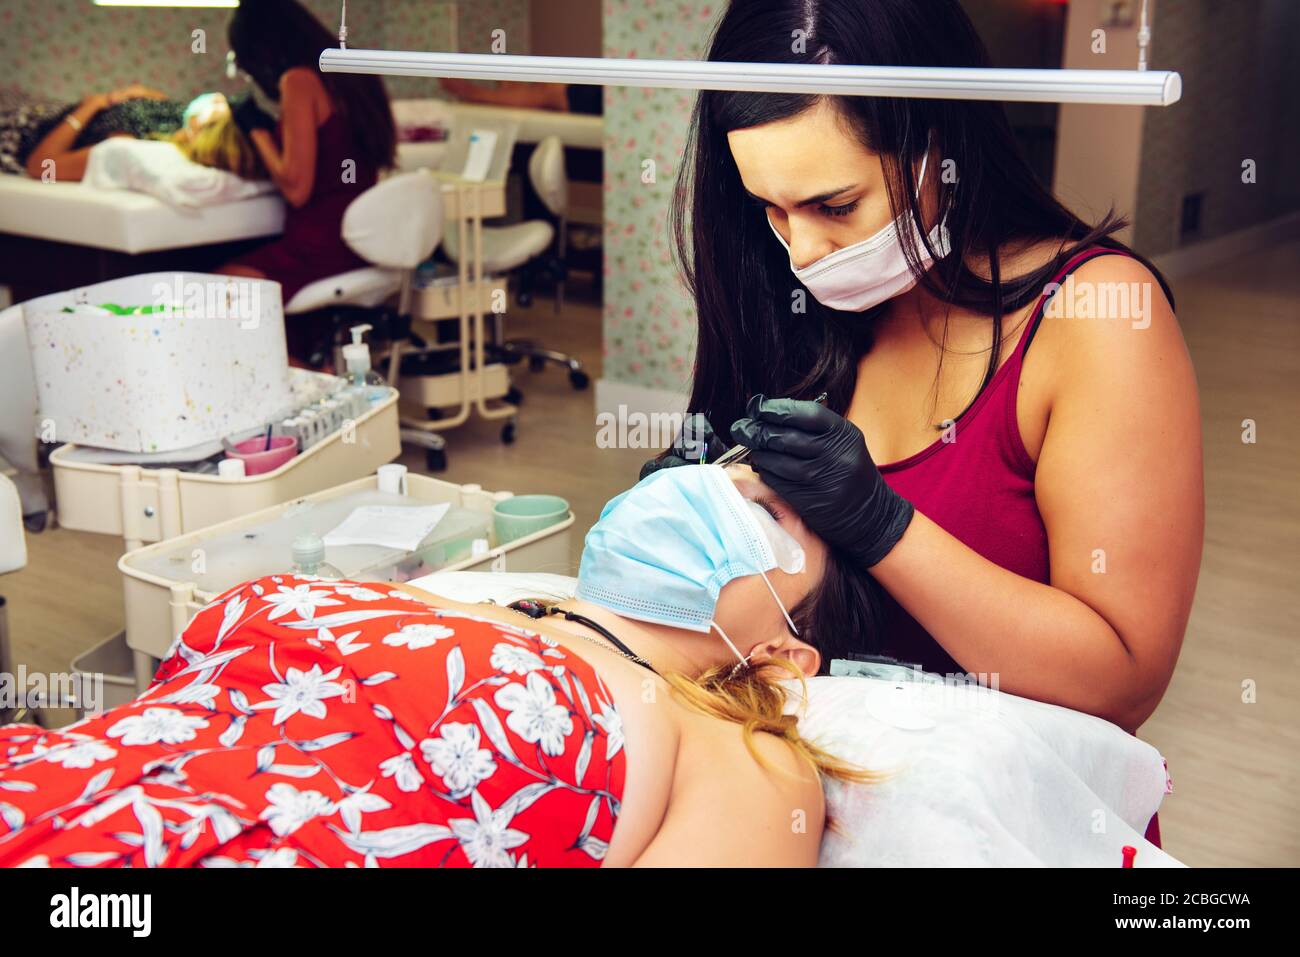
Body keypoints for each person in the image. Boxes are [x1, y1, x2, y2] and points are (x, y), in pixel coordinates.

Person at [643, 0, 1203, 773]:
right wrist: (685, 527)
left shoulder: (1097, 317)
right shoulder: (788, 302)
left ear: (940, 144)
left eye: (835, 205)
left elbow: (1123, 678)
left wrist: (883, 528)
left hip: (1004, 818)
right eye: (769, 209)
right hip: (803, 799)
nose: (802, 250)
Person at [0, 465, 881, 868]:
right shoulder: (461, 601)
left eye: (766, 516)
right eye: (717, 477)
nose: (716, 495)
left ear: (780, 650)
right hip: (59, 785)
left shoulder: (740, 755)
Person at [215, 0, 397, 357]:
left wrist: (255, 130)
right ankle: (309, 366)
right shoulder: (349, 71)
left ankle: (297, 376)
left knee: (220, 290)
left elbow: (297, 189)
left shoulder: (298, 79)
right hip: (360, 240)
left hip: (321, 243)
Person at [19, 85, 264, 182]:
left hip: (24, 127)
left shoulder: (129, 143)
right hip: (47, 105)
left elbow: (41, 166)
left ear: (197, 132)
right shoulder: (179, 117)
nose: (219, 97)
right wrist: (135, 91)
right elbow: (149, 99)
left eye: (220, 107)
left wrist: (91, 107)